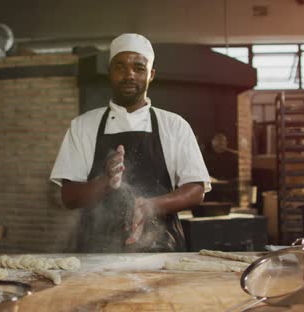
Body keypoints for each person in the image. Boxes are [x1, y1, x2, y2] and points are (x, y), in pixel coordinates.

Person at [50, 33, 211, 252]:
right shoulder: (83, 126)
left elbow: (196, 190)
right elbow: (68, 197)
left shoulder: (174, 125)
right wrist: (105, 182)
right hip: (97, 252)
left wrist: (152, 206)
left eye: (139, 68)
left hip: (162, 250)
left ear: (151, 74)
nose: (129, 75)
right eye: (120, 67)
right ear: (109, 73)